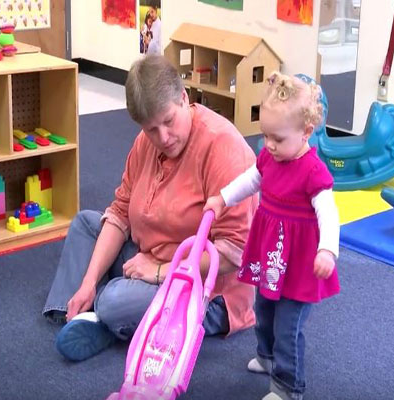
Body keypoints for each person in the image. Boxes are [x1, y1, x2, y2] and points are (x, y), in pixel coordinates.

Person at [43, 54, 258, 362]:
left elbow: (234, 253)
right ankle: (81, 312)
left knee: (115, 301)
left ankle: (105, 315)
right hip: (148, 259)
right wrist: (89, 282)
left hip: (204, 290)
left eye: (169, 122)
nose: (163, 137)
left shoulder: (223, 148)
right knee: (86, 224)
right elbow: (119, 213)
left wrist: (159, 272)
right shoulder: (147, 143)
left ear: (184, 98)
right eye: (151, 129)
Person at [204, 72, 340, 400]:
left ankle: (288, 387)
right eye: (265, 135)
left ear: (306, 132)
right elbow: (251, 180)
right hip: (273, 254)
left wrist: (327, 251)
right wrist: (223, 198)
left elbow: (329, 214)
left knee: (287, 328)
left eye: (278, 138)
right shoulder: (270, 156)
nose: (269, 145)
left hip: (300, 265)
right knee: (263, 309)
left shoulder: (313, 171)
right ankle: (266, 357)